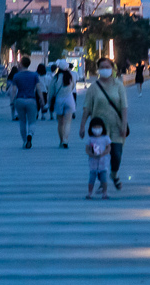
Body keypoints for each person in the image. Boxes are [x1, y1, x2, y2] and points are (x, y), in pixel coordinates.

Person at [79, 58, 128, 190]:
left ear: (112, 68)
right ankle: (102, 181)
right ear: (98, 69)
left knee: (116, 154)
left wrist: (124, 124)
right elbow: (87, 108)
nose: (105, 69)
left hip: (116, 126)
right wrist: (82, 125)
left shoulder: (118, 85)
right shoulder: (93, 88)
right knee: (100, 157)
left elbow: (124, 107)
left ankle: (114, 174)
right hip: (99, 129)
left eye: (107, 66)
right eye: (102, 67)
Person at [13, 57, 44, 149]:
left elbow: (14, 90)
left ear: (21, 64)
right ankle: (30, 134)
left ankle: (24, 141)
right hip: (31, 100)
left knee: (22, 122)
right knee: (32, 121)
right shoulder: (34, 75)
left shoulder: (16, 76)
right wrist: (41, 99)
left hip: (20, 99)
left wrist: (12, 101)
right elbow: (38, 88)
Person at [50, 60, 76, 148]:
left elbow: (51, 91)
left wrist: (49, 102)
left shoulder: (56, 77)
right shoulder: (70, 76)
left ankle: (61, 141)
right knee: (68, 122)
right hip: (69, 99)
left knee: (60, 122)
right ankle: (66, 140)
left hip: (59, 100)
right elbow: (73, 87)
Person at [85, 116, 111, 199]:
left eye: (99, 127)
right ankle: (89, 193)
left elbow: (108, 147)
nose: (97, 129)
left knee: (104, 179)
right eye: (95, 127)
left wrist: (103, 154)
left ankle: (105, 193)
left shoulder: (105, 138)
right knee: (91, 179)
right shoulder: (90, 139)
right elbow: (87, 149)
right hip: (93, 163)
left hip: (103, 162)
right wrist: (92, 155)